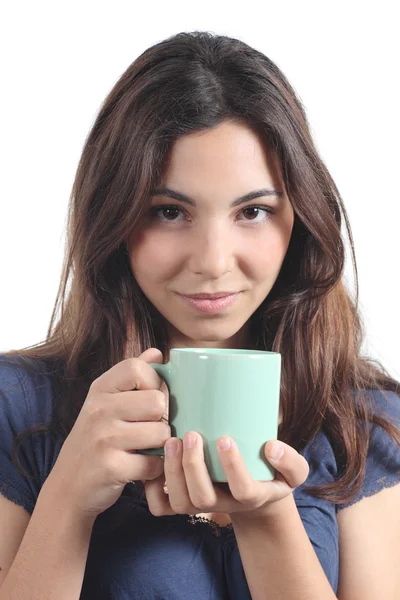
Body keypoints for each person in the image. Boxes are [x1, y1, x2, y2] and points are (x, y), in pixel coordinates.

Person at [0, 30, 399, 600]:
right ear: (112, 219)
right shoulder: (17, 409)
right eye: (168, 211)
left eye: (253, 211)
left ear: (301, 221)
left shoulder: (365, 422)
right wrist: (66, 500)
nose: (213, 262)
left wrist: (268, 521)